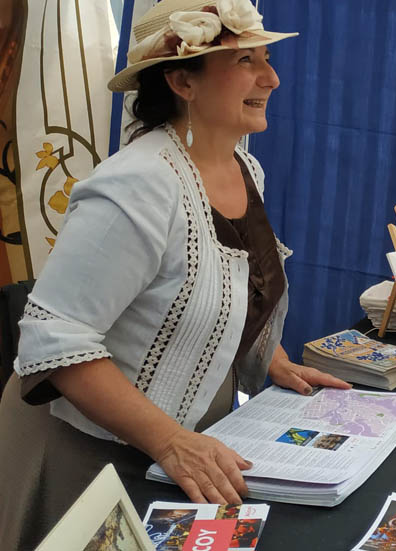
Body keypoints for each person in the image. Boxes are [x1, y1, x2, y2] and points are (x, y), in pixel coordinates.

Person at [0, 1, 351, 548]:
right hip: (90, 454)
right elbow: (53, 340)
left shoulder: (244, 168)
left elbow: (225, 290)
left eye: (266, 58)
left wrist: (268, 355)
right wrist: (170, 442)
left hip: (180, 450)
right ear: (182, 80)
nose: (272, 78)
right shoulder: (135, 186)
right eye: (246, 61)